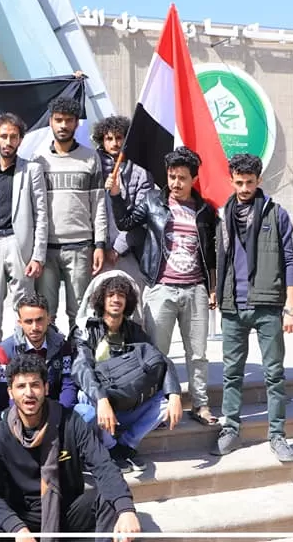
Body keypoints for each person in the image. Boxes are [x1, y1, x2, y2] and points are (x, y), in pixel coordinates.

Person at [0, 354, 141, 540]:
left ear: (45, 388)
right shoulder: (1, 435)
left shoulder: (70, 421)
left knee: (110, 500)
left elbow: (104, 466)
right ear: (11, 392)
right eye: (21, 386)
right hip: (25, 517)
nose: (28, 393)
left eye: (35, 385)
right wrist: (17, 529)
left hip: (67, 511)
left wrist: (125, 508)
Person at [107, 146, 218, 427]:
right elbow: (124, 222)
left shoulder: (205, 210)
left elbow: (212, 253)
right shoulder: (153, 201)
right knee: (156, 352)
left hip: (195, 290)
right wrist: (116, 195)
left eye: (182, 177)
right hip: (161, 289)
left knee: (199, 353)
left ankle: (201, 404)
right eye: (171, 176)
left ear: (193, 178)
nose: (175, 183)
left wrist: (212, 287)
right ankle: (157, 405)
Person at [212, 153, 293, 463]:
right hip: (232, 306)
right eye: (239, 182)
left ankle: (277, 435)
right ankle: (230, 429)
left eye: (250, 182)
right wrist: (215, 291)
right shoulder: (223, 215)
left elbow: (290, 260)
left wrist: (290, 307)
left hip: (267, 305)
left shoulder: (277, 214)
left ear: (259, 181)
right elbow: (217, 257)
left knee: (274, 374)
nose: (245, 187)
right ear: (232, 180)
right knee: (231, 372)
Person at [72, 275, 182, 472]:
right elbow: (81, 369)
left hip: (128, 400)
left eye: (121, 295)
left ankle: (126, 444)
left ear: (128, 300)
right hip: (102, 402)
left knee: (165, 401)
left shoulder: (133, 330)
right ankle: (111, 447)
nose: (116, 299)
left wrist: (174, 394)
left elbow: (160, 359)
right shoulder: (86, 330)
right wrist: (102, 400)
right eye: (111, 294)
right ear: (101, 299)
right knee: (84, 396)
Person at [0, 112, 47, 359]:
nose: (8, 141)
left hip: (19, 244)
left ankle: (24, 357)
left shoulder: (32, 170)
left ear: (20, 140)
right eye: (3, 136)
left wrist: (38, 256)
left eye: (14, 136)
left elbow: (41, 215)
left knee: (23, 306)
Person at [32, 96, 107, 333]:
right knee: (46, 314)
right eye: (58, 120)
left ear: (76, 124)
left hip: (81, 248)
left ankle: (79, 363)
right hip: (47, 250)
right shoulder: (38, 160)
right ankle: (52, 365)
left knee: (80, 314)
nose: (63, 125)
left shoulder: (90, 157)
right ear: (51, 123)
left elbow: (99, 204)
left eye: (68, 120)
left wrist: (99, 244)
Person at [92, 115, 154, 279]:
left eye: (119, 138)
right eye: (109, 138)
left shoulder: (141, 171)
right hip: (96, 250)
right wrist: (99, 245)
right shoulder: (93, 166)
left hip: (130, 251)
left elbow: (142, 215)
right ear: (101, 140)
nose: (114, 143)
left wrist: (118, 247)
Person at [0, 294, 76, 412]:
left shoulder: (63, 346)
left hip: (55, 409)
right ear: (20, 323)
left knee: (86, 412)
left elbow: (69, 385)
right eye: (28, 321)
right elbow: (3, 393)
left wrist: (60, 415)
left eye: (39, 320)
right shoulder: (5, 350)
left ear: (48, 319)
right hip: (19, 412)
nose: (35, 327)